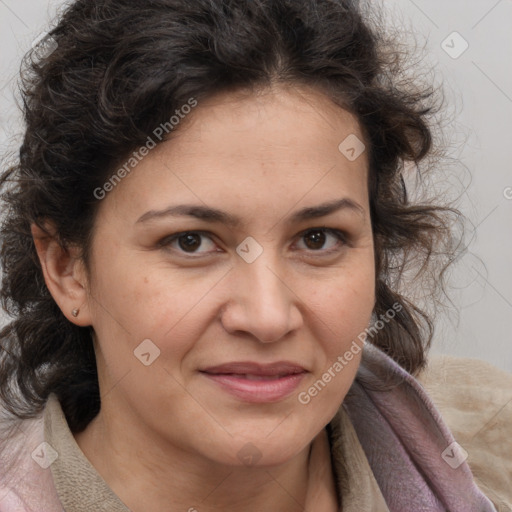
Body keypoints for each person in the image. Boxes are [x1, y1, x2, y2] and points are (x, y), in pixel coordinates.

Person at [0, 0, 510, 511]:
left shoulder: (492, 442)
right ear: (68, 270)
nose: (268, 317)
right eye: (191, 242)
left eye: (318, 238)